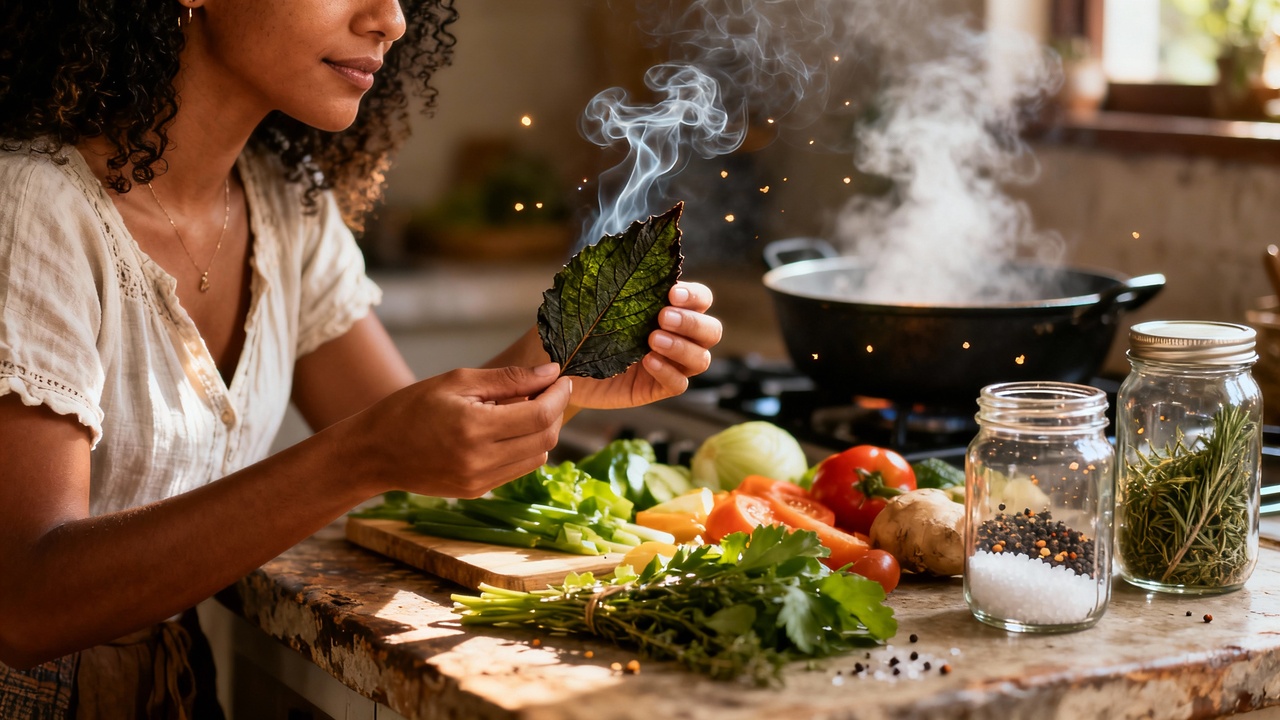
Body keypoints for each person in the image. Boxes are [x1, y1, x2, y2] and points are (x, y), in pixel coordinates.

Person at [0, 0, 723, 716]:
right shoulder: (29, 206)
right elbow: (25, 608)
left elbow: (423, 460)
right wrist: (358, 458)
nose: (393, 19)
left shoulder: (287, 210)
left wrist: (564, 368)